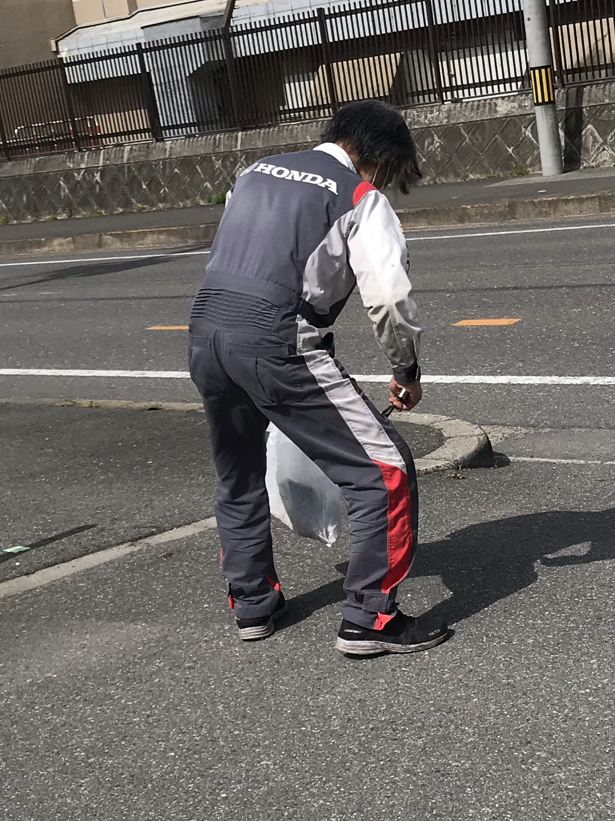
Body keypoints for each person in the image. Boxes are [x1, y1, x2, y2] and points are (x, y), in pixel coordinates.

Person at [187, 99, 451, 657]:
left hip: (207, 329)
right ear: (380, 158)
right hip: (276, 338)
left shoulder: (254, 173)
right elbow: (388, 295)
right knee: (384, 472)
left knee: (239, 473)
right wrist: (405, 367)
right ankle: (371, 618)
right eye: (392, 172)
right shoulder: (359, 195)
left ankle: (253, 604)